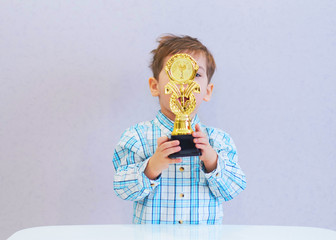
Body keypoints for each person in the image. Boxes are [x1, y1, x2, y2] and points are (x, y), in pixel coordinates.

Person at [112, 34, 246, 224]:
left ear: (207, 91)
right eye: (175, 73)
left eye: (196, 75)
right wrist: (152, 167)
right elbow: (122, 189)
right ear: (155, 86)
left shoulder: (219, 141)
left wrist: (212, 160)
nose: (184, 83)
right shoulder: (136, 137)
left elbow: (233, 189)